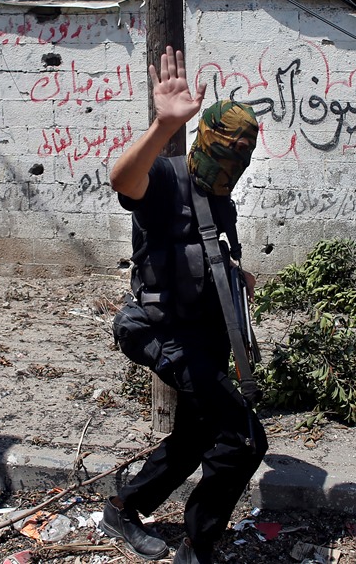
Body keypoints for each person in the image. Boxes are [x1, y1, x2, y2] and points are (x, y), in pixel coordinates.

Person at [100, 46, 268, 564]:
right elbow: (121, 179)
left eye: (243, 155)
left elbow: (203, 250)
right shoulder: (167, 179)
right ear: (205, 141)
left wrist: (233, 275)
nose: (233, 163)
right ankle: (199, 547)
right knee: (243, 440)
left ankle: (124, 508)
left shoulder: (222, 199)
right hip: (163, 331)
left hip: (206, 332)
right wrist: (161, 125)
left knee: (197, 435)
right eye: (226, 151)